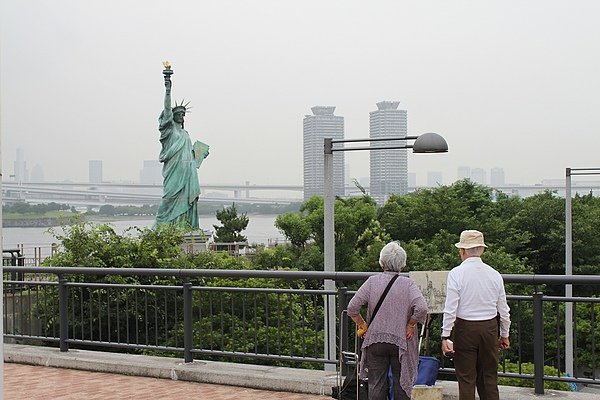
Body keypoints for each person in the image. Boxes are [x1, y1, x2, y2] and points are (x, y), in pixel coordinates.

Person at [347, 241, 428, 400]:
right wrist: (411, 324)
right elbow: (422, 307)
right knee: (401, 383)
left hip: (376, 339)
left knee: (376, 384)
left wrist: (363, 325)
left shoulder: (372, 282)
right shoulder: (408, 284)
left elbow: (352, 308)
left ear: (382, 261)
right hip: (401, 341)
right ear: (402, 264)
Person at [441, 230, 511, 400]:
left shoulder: (456, 273)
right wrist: (504, 334)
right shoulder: (494, 274)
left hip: (465, 328)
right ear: (482, 250)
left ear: (463, 251)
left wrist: (445, 335)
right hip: (489, 328)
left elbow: (451, 308)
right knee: (489, 377)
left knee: (466, 378)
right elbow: (503, 309)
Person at [154, 64, 209, 229]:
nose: (181, 116)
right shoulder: (169, 130)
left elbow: (190, 154)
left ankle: (186, 225)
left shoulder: (185, 134)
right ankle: (163, 225)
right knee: (169, 196)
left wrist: (199, 155)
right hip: (174, 169)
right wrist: (168, 88)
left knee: (187, 197)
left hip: (188, 170)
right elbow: (166, 109)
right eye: (178, 114)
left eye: (183, 115)